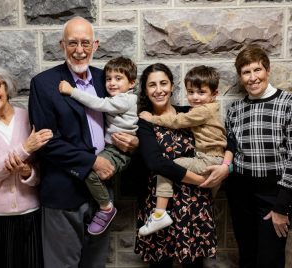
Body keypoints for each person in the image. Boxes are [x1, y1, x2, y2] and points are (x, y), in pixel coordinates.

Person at [28, 16, 138, 268]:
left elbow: (129, 117)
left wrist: (134, 143)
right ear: (62, 45)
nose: (79, 51)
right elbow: (46, 141)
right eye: (73, 43)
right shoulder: (44, 84)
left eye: (85, 43)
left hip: (102, 193)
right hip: (63, 191)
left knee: (96, 263)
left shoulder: (107, 80)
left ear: (96, 45)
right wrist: (92, 162)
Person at [211, 45, 292, 268]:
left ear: (267, 70)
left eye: (257, 70)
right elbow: (231, 148)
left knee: (270, 259)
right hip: (240, 194)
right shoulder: (235, 109)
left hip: (273, 195)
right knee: (247, 256)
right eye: (246, 72)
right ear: (240, 76)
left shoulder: (287, 103)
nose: (253, 78)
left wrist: (282, 206)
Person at [0, 64, 53, 268]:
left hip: (29, 212)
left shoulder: (29, 118)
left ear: (6, 87)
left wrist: (29, 172)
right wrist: (24, 148)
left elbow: (42, 168)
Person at [134, 63, 217, 268]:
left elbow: (223, 136)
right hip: (161, 206)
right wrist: (201, 180)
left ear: (172, 86)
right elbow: (156, 163)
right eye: (152, 85)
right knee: (160, 263)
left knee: (194, 264)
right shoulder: (145, 121)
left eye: (163, 83)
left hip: (194, 204)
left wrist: (226, 166)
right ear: (145, 90)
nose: (159, 89)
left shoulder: (189, 113)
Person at [58, 56, 138, 235]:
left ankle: (106, 207)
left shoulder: (126, 99)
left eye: (119, 78)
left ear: (131, 83)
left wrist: (72, 91)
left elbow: (99, 104)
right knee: (89, 170)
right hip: (111, 149)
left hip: (118, 151)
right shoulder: (120, 96)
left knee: (89, 171)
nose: (112, 83)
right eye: (108, 78)